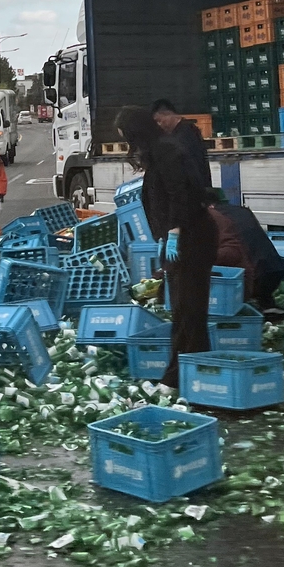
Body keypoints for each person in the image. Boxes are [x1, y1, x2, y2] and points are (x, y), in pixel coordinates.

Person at [116, 107, 217, 389]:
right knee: (188, 309)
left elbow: (179, 193)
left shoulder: (166, 151)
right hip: (184, 237)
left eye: (126, 137)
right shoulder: (161, 151)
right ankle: (197, 369)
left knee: (187, 310)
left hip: (191, 238)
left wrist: (173, 233)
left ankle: (174, 378)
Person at [150, 99, 212, 192]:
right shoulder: (182, 132)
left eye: (159, 120)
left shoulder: (186, 134)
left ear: (168, 114)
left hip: (193, 189)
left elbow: (195, 163)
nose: (159, 125)